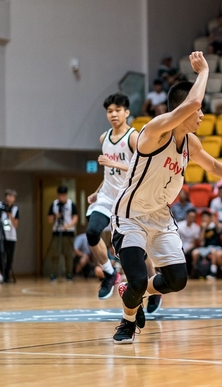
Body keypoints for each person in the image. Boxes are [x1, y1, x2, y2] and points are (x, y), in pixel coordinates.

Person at [111, 52, 222, 343]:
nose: (202, 115)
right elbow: (194, 103)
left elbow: (214, 166)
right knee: (137, 279)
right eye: (198, 111)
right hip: (130, 216)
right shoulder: (155, 132)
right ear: (183, 110)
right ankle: (128, 320)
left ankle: (134, 292)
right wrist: (204, 71)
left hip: (160, 216)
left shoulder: (190, 142)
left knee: (177, 280)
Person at [86, 93, 136, 299]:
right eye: (109, 111)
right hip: (107, 197)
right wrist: (97, 192)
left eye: (117, 110)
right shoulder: (104, 138)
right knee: (92, 232)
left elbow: (141, 168)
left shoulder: (134, 137)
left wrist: (113, 163)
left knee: (137, 250)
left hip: (128, 198)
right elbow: (109, 173)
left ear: (127, 112)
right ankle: (110, 273)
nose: (113, 114)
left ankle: (153, 284)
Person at [47, 186, 78, 281]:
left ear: (66, 195)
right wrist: (55, 216)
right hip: (57, 231)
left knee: (68, 254)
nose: (62, 197)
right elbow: (49, 219)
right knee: (55, 254)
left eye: (64, 195)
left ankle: (69, 274)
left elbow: (75, 218)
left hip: (68, 232)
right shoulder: (54, 204)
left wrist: (68, 225)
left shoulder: (71, 204)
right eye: (60, 195)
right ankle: (53, 274)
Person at [0, 189, 19, 283]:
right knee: (0, 255)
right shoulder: (0, 207)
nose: (9, 198)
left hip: (11, 236)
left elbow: (16, 224)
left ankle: (7, 275)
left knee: (9, 256)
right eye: (8, 195)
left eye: (11, 196)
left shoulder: (15, 209)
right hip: (0, 236)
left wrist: (10, 214)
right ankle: (2, 274)